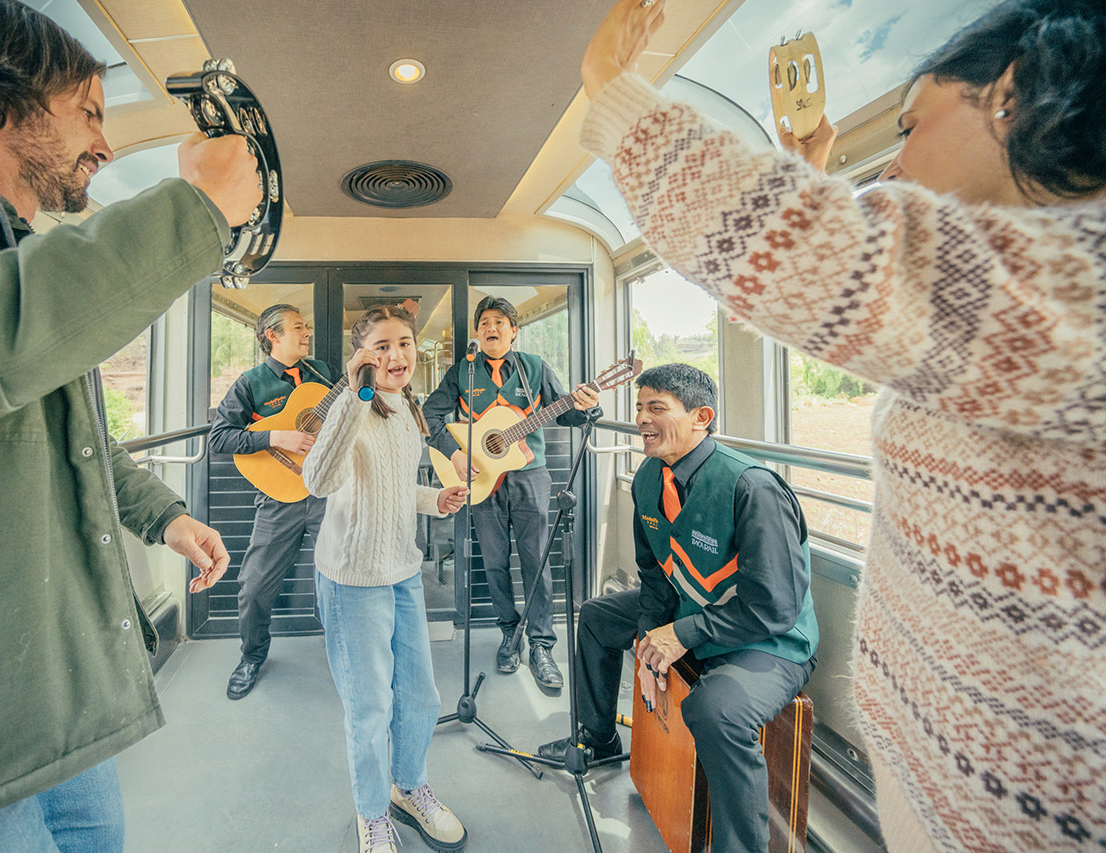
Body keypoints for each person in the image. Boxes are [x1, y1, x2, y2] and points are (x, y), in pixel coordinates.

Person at [581, 0, 1106, 849]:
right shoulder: (1021, 305)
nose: (894, 163)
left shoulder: (1076, 282)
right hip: (946, 794)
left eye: (909, 124)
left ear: (1009, 95)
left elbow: (807, 249)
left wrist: (611, 88)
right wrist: (814, 175)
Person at [0, 0, 261, 848]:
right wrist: (199, 206)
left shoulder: (6, 251)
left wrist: (163, 516)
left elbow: (58, 434)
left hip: (60, 712)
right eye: (88, 114)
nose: (103, 144)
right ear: (0, 94)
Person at [538, 363, 817, 852]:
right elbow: (654, 581)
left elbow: (776, 607)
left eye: (656, 408)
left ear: (701, 416)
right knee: (600, 617)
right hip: (694, 613)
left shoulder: (751, 487)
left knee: (714, 709)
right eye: (639, 407)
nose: (641, 418)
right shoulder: (648, 478)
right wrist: (649, 640)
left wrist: (681, 635)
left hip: (772, 641)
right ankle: (600, 737)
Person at [302, 305, 471, 853]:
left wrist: (434, 499)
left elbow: (391, 489)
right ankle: (371, 813)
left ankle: (409, 786)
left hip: (402, 569)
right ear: (362, 356)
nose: (395, 355)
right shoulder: (350, 408)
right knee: (369, 705)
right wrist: (353, 398)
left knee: (420, 695)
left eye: (403, 344)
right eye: (381, 346)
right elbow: (320, 481)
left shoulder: (408, 412)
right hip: (353, 578)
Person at [422, 295, 599, 690]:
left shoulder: (534, 368)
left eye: (500, 321)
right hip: (480, 478)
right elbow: (430, 414)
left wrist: (585, 405)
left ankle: (541, 644)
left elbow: (565, 412)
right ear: (477, 332)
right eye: (485, 322)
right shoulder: (462, 373)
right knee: (495, 560)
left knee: (536, 560)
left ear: (514, 331)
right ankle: (509, 632)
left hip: (531, 476)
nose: (491, 327)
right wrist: (456, 453)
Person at [208, 304, 334, 699]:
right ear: (273, 335)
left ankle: (348, 651)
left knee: (341, 575)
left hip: (326, 493)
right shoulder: (250, 383)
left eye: (306, 326)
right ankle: (251, 657)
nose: (307, 332)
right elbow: (219, 438)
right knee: (254, 585)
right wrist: (275, 438)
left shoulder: (323, 374)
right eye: (298, 327)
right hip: (279, 498)